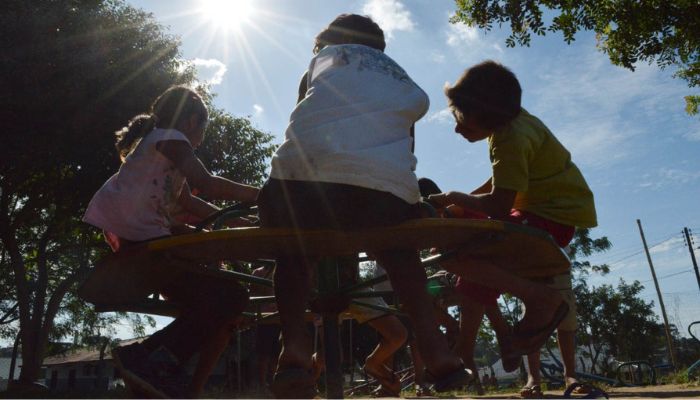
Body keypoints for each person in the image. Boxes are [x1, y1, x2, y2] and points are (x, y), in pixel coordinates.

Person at [256, 13, 470, 398]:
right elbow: (406, 153)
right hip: (379, 196)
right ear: (379, 50)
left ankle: (296, 348)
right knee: (399, 252)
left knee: (294, 249)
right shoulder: (399, 78)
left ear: (328, 43)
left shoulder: (321, 65)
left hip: (302, 189)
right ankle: (436, 351)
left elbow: (305, 126)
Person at [427, 61, 597, 397]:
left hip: (548, 219)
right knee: (468, 262)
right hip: (547, 212)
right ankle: (472, 347)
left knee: (448, 255)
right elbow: (503, 182)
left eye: (461, 117)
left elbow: (498, 206)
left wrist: (453, 197)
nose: (457, 128)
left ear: (486, 113)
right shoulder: (515, 124)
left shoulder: (510, 138)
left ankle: (540, 299)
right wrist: (462, 207)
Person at [83, 85, 259, 398]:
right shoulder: (172, 138)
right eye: (204, 128)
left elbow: (191, 202)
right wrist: (264, 195)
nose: (201, 138)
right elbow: (208, 184)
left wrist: (237, 219)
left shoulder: (158, 146)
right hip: (142, 236)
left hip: (135, 234)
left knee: (213, 299)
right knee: (231, 296)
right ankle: (147, 356)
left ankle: (156, 373)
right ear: (192, 121)